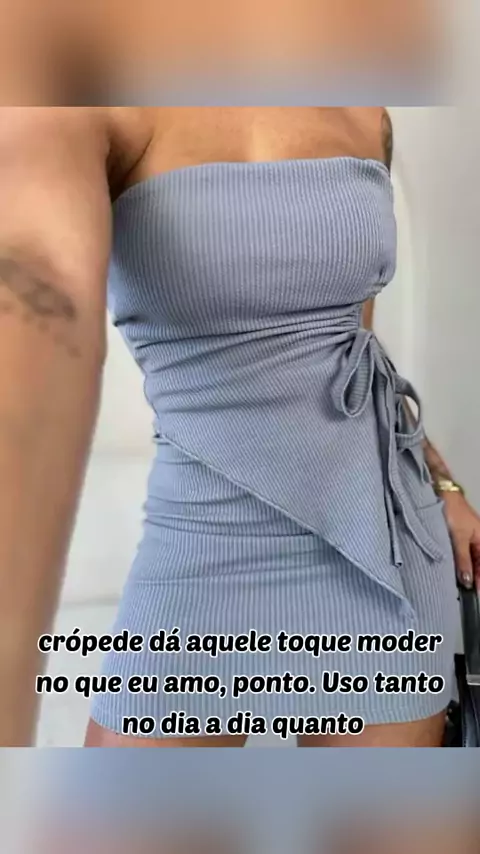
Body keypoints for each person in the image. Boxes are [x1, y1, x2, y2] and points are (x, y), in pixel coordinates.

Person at [1, 104, 480, 750]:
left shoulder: (365, 112)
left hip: (382, 550)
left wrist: (444, 485)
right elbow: (40, 307)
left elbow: (352, 356)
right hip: (201, 538)